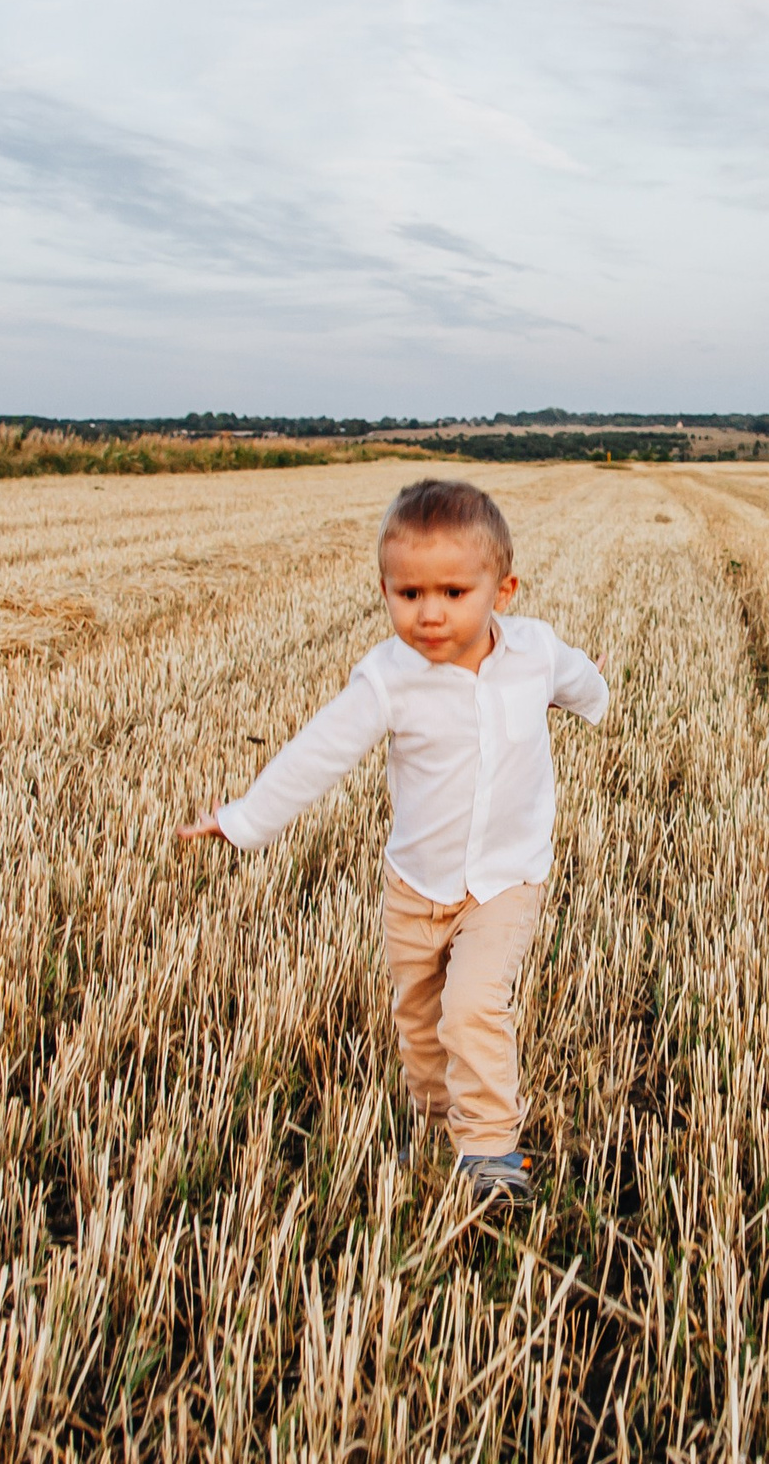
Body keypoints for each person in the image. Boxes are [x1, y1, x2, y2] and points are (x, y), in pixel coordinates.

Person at [179, 479, 609, 1206]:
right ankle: (437, 1118)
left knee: (472, 1005)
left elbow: (581, 678)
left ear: (501, 590)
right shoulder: (388, 679)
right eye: (409, 594)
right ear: (384, 590)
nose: (430, 612)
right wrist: (245, 818)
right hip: (414, 884)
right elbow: (319, 753)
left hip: (507, 880)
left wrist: (591, 704)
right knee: (419, 1020)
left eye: (452, 591)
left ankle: (490, 1150)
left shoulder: (535, 651)